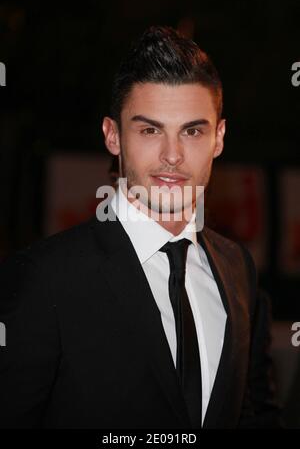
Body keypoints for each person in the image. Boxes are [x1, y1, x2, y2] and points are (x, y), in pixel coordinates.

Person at [0, 26, 280, 429]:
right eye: (150, 130)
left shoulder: (238, 269)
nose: (173, 156)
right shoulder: (42, 278)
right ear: (113, 136)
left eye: (192, 130)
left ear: (218, 137)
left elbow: (255, 415)